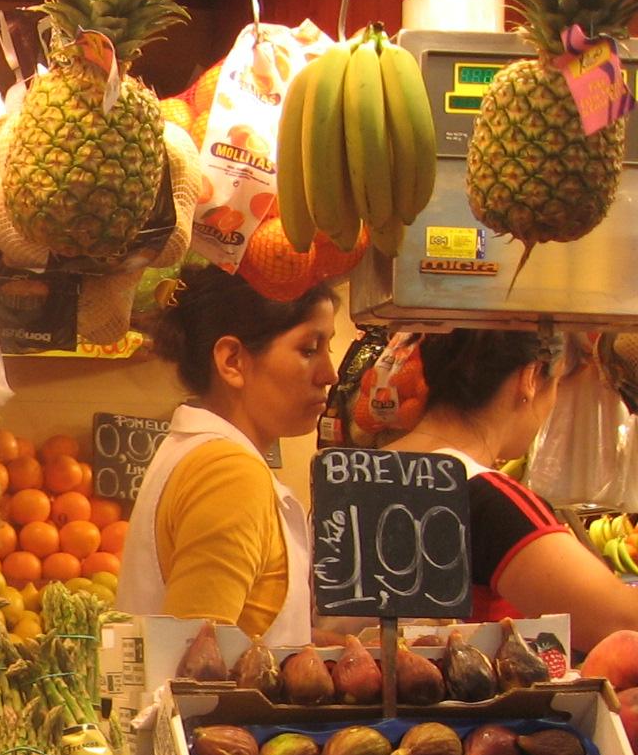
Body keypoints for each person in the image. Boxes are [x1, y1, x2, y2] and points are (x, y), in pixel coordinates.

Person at [117, 265, 339, 643]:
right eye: (308, 350)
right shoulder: (229, 474)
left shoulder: (200, 453)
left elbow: (239, 632)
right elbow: (200, 663)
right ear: (232, 360)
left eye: (327, 348)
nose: (330, 374)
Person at [385, 329, 638, 648]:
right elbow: (621, 623)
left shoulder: (355, 474)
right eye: (556, 383)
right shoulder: (487, 497)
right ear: (530, 379)